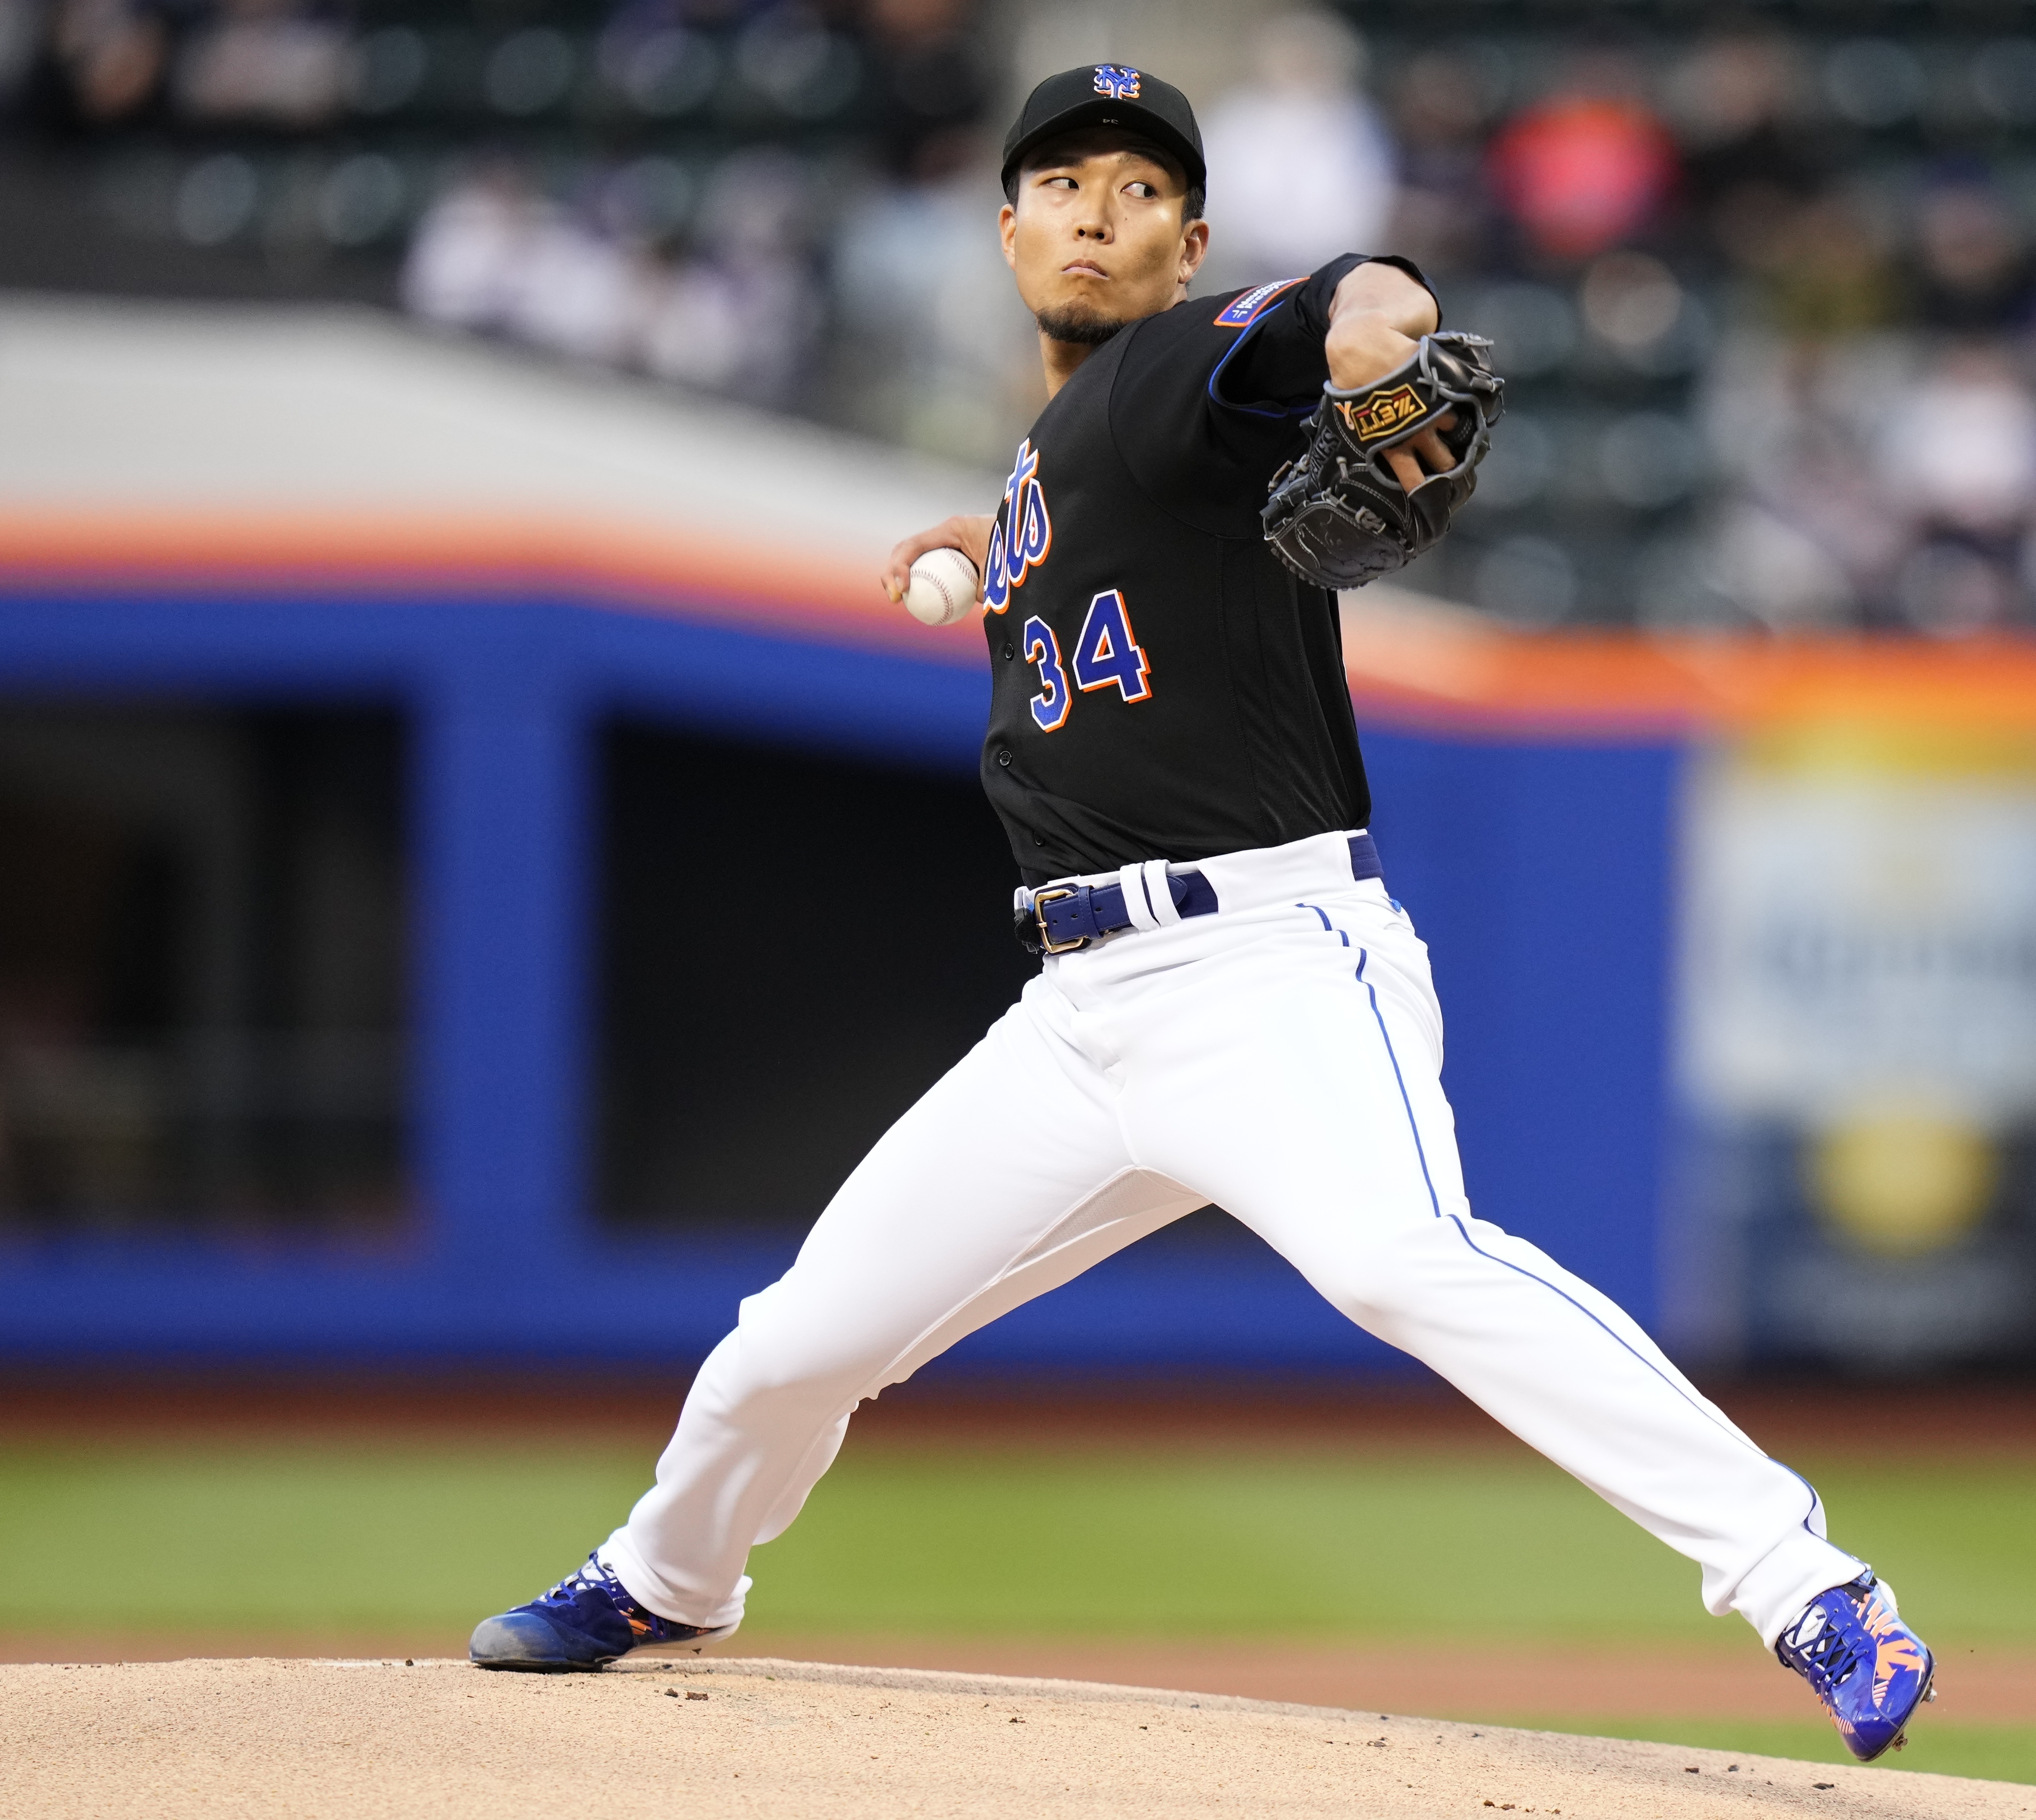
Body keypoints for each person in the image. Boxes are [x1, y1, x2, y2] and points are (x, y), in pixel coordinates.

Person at [461, 61, 1935, 1764]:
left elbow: (1338, 307)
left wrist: (1375, 330)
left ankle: (1803, 1573)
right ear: (1006, 223)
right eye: (1065, 181)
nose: (1099, 206)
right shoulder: (1055, 458)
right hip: (1081, 1014)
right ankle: (670, 1574)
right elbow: (1118, 512)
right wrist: (1009, 536)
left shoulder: (1175, 372)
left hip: (1269, 972)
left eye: (1142, 188)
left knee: (1404, 1258)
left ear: (1191, 244)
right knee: (792, 1342)